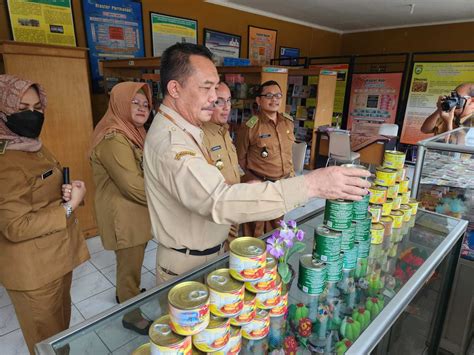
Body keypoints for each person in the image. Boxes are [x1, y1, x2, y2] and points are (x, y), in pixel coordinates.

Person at [144, 43, 370, 283]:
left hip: (210, 251)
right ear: (175, 88)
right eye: (206, 88)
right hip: (188, 264)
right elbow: (218, 201)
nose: (214, 98)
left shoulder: (187, 128)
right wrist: (312, 185)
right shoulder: (172, 143)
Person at [0, 74, 90, 354]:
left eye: (38, 108)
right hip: (34, 271)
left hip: (55, 257)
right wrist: (69, 206)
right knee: (45, 341)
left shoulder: (28, 144)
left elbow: (38, 187)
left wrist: (65, 191)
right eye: (21, 108)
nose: (32, 115)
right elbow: (14, 226)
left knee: (60, 330)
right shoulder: (5, 160)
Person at [89, 82, 153, 334]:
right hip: (124, 214)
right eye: (134, 102)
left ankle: (127, 294)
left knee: (132, 263)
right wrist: (170, 198)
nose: (141, 108)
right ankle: (130, 313)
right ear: (118, 104)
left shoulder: (134, 132)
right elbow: (132, 185)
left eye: (146, 104)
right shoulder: (114, 138)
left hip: (136, 212)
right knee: (129, 266)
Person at [236, 80, 295, 237]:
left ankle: (272, 260)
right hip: (259, 185)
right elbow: (240, 157)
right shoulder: (250, 126)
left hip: (282, 185)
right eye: (268, 95)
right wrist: (253, 180)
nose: (274, 99)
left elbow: (288, 154)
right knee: (254, 230)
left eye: (278, 95)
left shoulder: (288, 123)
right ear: (258, 100)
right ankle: (251, 261)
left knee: (276, 228)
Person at [202, 82, 241, 245]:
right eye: (219, 101)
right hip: (217, 211)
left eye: (229, 100)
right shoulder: (201, 135)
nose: (227, 107)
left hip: (234, 206)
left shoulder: (224, 131)